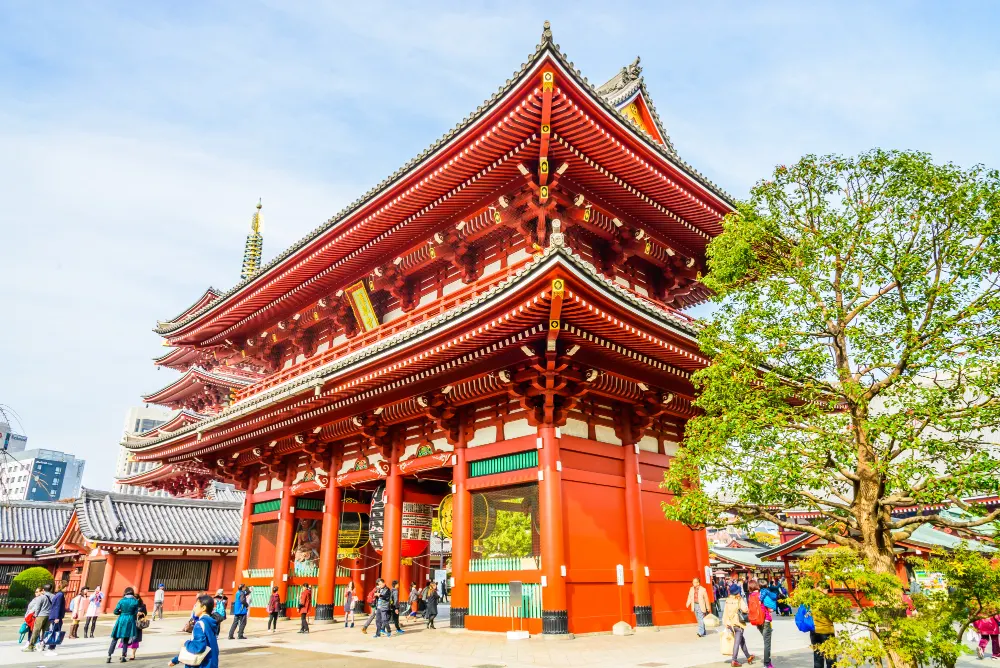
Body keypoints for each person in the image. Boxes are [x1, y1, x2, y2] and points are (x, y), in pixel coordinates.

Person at [170, 594, 220, 668]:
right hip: (212, 663)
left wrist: (186, 643)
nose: (194, 609)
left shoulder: (200, 624)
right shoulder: (211, 623)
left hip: (202, 664)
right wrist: (176, 660)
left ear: (203, 608)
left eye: (196, 606)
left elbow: (198, 647)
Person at [107, 587, 140, 664]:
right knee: (126, 639)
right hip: (130, 619)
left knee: (115, 638)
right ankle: (123, 656)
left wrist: (120, 613)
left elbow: (115, 611)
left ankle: (109, 656)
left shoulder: (121, 601)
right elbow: (135, 612)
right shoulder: (135, 601)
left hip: (121, 619)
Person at [723, 583, 753, 667]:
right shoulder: (739, 599)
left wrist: (726, 623)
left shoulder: (727, 600)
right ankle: (734, 660)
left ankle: (748, 656)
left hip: (730, 624)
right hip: (738, 624)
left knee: (741, 641)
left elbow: (725, 612)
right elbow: (745, 609)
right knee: (737, 642)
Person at [23, 583, 53, 652]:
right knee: (45, 631)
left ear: (43, 590)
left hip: (41, 615)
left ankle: (31, 646)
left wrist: (35, 615)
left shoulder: (41, 597)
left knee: (36, 631)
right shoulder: (53, 596)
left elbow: (37, 607)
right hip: (49, 615)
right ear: (51, 589)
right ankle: (43, 645)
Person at [810, 587, 836, 668]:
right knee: (830, 657)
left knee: (818, 657)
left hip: (814, 631)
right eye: (827, 590)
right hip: (826, 630)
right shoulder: (827, 601)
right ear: (824, 589)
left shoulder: (811, 600)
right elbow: (833, 616)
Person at [750, 580, 774, 668]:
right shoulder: (762, 595)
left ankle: (768, 662)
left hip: (757, 621)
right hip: (765, 620)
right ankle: (767, 663)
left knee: (765, 640)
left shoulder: (751, 596)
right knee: (767, 643)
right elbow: (770, 609)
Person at [120, 594, 147, 661]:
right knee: (125, 638)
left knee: (135, 639)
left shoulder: (142, 606)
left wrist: (141, 614)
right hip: (129, 622)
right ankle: (123, 654)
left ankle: (133, 654)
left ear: (138, 599)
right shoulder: (130, 604)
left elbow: (145, 613)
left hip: (137, 624)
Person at [45, 582, 66, 651]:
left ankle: (50, 646)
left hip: (54, 615)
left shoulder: (57, 594)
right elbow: (57, 606)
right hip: (56, 616)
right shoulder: (60, 595)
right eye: (66, 587)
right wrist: (57, 617)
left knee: (53, 631)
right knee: (55, 632)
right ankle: (51, 647)